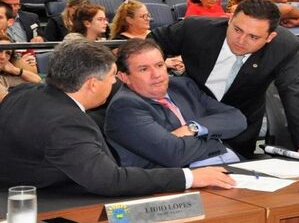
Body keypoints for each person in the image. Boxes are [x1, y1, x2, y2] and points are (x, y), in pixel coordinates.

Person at [0, 39, 235, 196]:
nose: (114, 82)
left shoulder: (24, 93)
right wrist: (189, 177)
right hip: (42, 203)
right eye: (112, 76)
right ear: (92, 84)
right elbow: (109, 180)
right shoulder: (68, 123)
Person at [151, 0, 299, 158]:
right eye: (237, 30)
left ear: (270, 37)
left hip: (239, 130)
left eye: (253, 37)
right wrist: (157, 75)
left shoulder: (285, 46)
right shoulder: (194, 29)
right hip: (184, 122)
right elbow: (150, 45)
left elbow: (292, 92)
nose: (241, 41)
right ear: (230, 19)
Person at [105, 38, 246, 168]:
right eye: (144, 69)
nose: (156, 74)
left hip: (234, 163)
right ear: (124, 77)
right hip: (187, 180)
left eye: (159, 65)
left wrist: (194, 128)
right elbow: (173, 153)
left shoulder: (182, 86)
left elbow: (237, 118)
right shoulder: (124, 107)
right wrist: (214, 138)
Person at [110, 0, 185, 74]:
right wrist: (163, 64)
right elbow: (130, 67)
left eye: (148, 15)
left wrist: (179, 60)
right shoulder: (119, 42)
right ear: (129, 20)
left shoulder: (157, 34)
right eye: (143, 16)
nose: (148, 19)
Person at [0, 34, 41, 101]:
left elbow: (37, 80)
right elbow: (6, 102)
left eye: (8, 53)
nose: (3, 57)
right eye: (0, 51)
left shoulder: (4, 76)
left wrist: (14, 70)